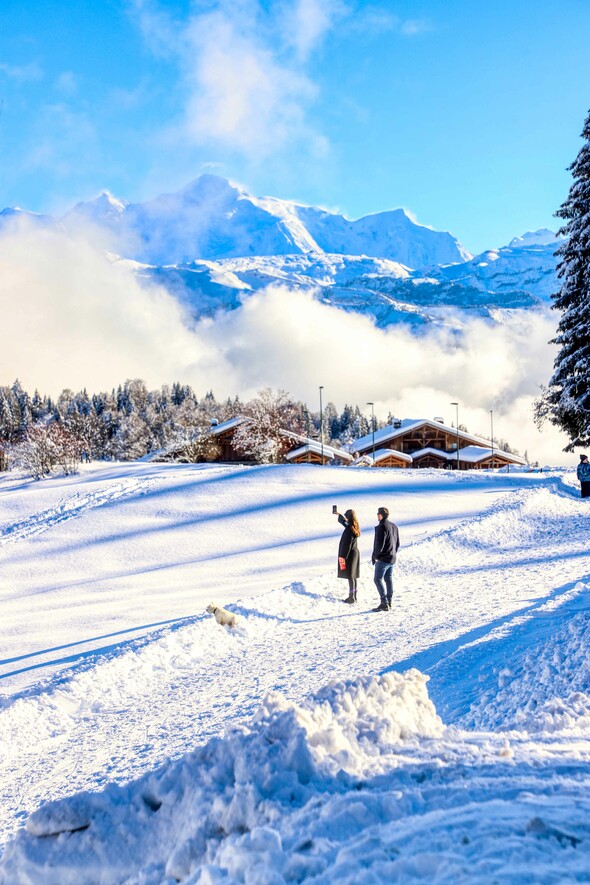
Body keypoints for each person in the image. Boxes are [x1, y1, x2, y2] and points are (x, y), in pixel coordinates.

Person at [372, 506, 400, 612]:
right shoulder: (394, 526)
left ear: (381, 515)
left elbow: (379, 544)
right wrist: (393, 553)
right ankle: (389, 601)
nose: (377, 516)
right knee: (388, 579)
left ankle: (384, 603)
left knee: (377, 579)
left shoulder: (382, 526)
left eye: (377, 514)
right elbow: (397, 543)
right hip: (392, 557)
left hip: (383, 558)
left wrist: (376, 556)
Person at [334, 508, 361, 603]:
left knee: (350, 576)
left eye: (346, 516)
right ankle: (354, 596)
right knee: (353, 576)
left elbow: (347, 544)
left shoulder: (349, 529)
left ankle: (351, 598)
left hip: (349, 554)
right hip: (354, 553)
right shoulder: (353, 526)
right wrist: (339, 515)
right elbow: (344, 523)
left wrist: (343, 557)